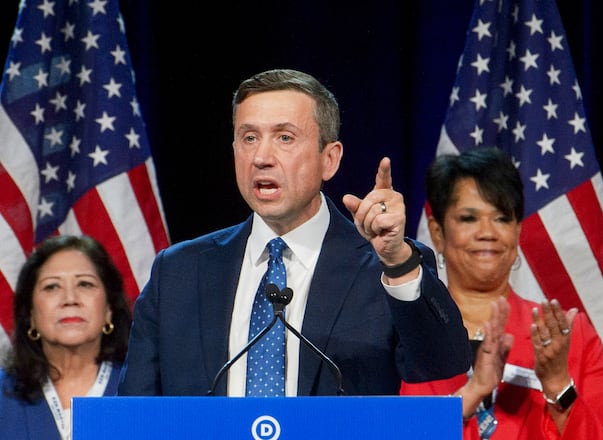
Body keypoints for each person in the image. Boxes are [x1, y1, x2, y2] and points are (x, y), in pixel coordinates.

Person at [117, 68, 471, 397]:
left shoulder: (383, 265)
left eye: (285, 137)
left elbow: (441, 364)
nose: (261, 157)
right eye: (249, 137)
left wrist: (396, 261)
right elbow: (134, 414)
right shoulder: (178, 272)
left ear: (329, 159)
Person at [400, 147, 603, 438]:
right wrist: (468, 398)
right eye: (469, 218)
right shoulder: (408, 337)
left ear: (517, 232)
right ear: (438, 232)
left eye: (502, 218)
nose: (487, 232)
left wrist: (557, 384)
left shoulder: (572, 337)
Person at [0, 234, 132, 440]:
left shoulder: (147, 391)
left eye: (85, 284)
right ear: (31, 315)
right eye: (52, 287)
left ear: (109, 309)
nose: (70, 299)